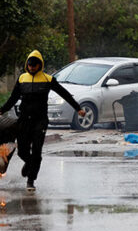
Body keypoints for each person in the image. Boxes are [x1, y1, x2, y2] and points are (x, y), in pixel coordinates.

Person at [0, 50, 84, 191]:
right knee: (22, 151)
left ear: (40, 65)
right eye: (30, 65)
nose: (32, 68)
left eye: (35, 66)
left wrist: (78, 108)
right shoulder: (22, 79)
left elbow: (65, 94)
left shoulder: (47, 79)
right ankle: (29, 163)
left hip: (40, 121)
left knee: (37, 151)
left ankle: (31, 181)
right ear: (27, 65)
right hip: (24, 120)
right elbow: (13, 98)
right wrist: (2, 110)